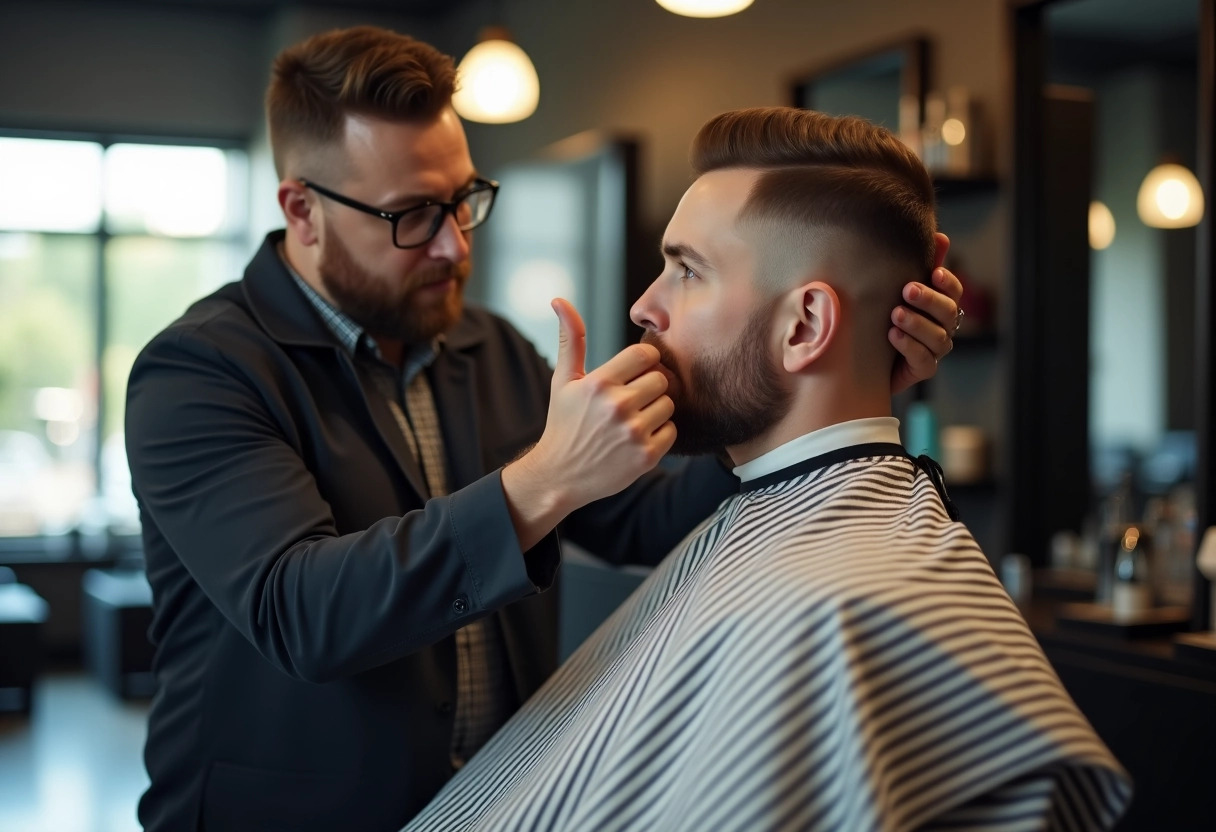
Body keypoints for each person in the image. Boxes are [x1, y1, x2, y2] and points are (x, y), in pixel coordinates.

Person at [124, 27, 964, 831]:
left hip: (503, 800)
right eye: (413, 216)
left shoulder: (487, 349)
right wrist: (546, 479)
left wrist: (815, 391)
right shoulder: (200, 372)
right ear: (301, 210)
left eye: (463, 201)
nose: (455, 248)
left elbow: (638, 520)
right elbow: (297, 611)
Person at [402, 107, 1132, 832]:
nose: (644, 305)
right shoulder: (801, 532)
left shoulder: (848, 610)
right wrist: (552, 471)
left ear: (806, 326)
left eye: (687, 269)